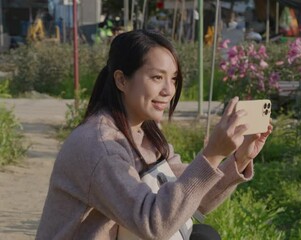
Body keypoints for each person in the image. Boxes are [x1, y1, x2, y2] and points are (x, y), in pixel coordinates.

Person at [36, 29, 273, 239]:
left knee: (204, 235)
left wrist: (238, 158)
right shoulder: (99, 146)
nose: (168, 90)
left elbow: (193, 200)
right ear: (121, 80)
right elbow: (153, 224)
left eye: (173, 79)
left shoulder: (146, 133)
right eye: (157, 77)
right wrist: (211, 154)